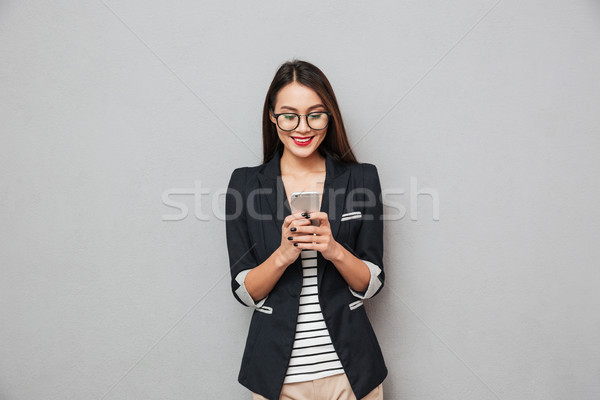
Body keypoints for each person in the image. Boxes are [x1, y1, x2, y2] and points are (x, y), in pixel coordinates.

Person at [225, 59, 387, 400]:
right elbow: (244, 291)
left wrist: (334, 249)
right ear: (272, 115)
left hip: (352, 373)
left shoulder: (361, 179)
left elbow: (372, 283)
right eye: (289, 115)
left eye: (315, 114)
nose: (303, 127)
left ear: (330, 116)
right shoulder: (244, 184)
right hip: (276, 379)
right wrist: (284, 254)